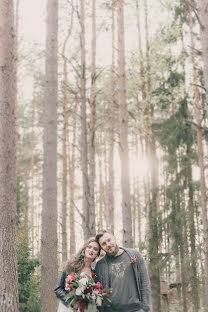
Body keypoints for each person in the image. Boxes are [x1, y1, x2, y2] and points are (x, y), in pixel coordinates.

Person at [95, 230, 150, 312]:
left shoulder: (134, 254)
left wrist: (145, 308)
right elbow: (98, 292)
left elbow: (144, 281)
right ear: (101, 247)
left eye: (109, 240)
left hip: (136, 309)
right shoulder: (100, 265)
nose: (108, 244)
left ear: (114, 238)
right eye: (104, 244)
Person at [54, 237, 101, 312]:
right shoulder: (71, 265)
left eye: (95, 249)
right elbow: (58, 289)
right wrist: (72, 303)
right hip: (67, 308)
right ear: (84, 249)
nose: (91, 250)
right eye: (89, 247)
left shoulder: (94, 274)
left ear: (97, 254)